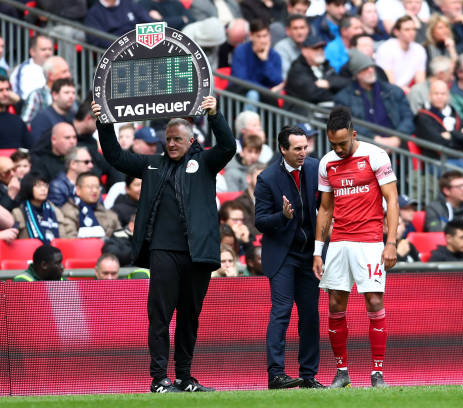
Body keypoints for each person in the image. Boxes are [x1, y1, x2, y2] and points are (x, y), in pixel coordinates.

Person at [93, 96, 236, 393]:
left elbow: (228, 147)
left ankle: (184, 377)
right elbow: (116, 157)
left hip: (198, 254)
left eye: (177, 139)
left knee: (189, 317)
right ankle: (159, 378)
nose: (171, 144)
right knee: (160, 316)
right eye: (168, 139)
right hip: (163, 251)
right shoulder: (152, 165)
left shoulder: (206, 162)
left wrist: (215, 115)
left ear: (191, 140)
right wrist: (105, 123)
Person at [313, 107, 399, 388]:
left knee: (374, 302)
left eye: (343, 143)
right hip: (338, 242)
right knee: (335, 304)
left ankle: (377, 373)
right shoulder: (326, 162)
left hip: (370, 241)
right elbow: (325, 209)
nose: (338, 149)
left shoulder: (375, 156)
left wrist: (391, 242)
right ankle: (342, 372)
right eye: (333, 144)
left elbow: (393, 200)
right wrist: (317, 250)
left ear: (354, 134)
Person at [255, 125, 323, 389]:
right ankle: (276, 374)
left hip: (310, 255)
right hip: (283, 255)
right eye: (297, 148)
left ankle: (308, 375)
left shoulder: (317, 168)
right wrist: (282, 216)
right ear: (283, 149)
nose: (303, 153)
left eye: (305, 147)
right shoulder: (267, 178)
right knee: (281, 312)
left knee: (310, 315)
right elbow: (260, 221)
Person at [334, 50, 414, 150]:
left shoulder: (393, 91)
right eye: (365, 69)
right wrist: (374, 139)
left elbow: (408, 117)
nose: (371, 70)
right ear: (357, 74)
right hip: (365, 149)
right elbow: (346, 123)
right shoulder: (344, 97)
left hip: (398, 149)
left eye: (372, 67)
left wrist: (397, 138)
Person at [284, 33, 349, 116]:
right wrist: (337, 94)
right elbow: (311, 94)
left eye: (322, 48)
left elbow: (346, 83)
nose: (320, 51)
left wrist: (328, 83)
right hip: (301, 115)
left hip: (326, 112)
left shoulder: (326, 65)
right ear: (304, 51)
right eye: (315, 48)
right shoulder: (297, 69)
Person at [415, 79, 463, 167]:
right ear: (429, 96)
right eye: (436, 93)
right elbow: (437, 142)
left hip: (461, 159)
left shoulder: (453, 113)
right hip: (436, 161)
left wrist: (451, 134)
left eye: (443, 94)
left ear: (448, 96)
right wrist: (460, 136)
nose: (440, 97)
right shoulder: (423, 116)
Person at [60, 172, 121, 239]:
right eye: (90, 187)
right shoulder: (68, 212)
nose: (95, 190)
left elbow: (120, 239)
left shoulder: (109, 214)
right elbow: (69, 239)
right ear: (78, 190)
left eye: (97, 187)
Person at [375, 15, 427, 94]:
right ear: (396, 32)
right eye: (407, 30)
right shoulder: (386, 48)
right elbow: (389, 82)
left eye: (414, 29)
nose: (411, 33)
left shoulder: (419, 50)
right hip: (387, 92)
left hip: (408, 92)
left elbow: (420, 82)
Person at [11, 172, 65, 243]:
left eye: (45, 186)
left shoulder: (55, 211)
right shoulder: (18, 213)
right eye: (38, 186)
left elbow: (64, 239)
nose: (43, 189)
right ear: (28, 187)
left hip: (55, 252)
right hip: (28, 252)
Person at [21, 56, 71, 125]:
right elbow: (25, 124)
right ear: (50, 75)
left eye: (68, 71)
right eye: (64, 72)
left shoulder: (71, 95)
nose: (69, 75)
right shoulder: (37, 96)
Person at [29, 78, 76, 147]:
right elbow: (37, 146)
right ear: (55, 95)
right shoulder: (42, 118)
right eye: (67, 93)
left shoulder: (74, 115)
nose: (71, 96)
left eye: (73, 93)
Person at [85, 0, 153, 48]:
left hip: (139, 46)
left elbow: (149, 22)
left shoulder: (129, 3)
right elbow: (96, 39)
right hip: (115, 54)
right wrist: (123, 44)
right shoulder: (94, 13)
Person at [9, 34, 54, 100]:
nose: (48, 53)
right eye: (43, 49)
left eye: (50, 49)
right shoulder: (25, 70)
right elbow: (25, 99)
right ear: (32, 52)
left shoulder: (55, 66)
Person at [274, 14, 310, 79]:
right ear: (288, 31)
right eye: (295, 28)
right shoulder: (281, 47)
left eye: (302, 28)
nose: (300, 32)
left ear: (307, 29)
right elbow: (287, 76)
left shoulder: (312, 44)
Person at [0, 75, 29, 149]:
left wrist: (18, 100)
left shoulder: (17, 119)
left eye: (7, 89)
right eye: (1, 90)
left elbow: (29, 146)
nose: (6, 93)